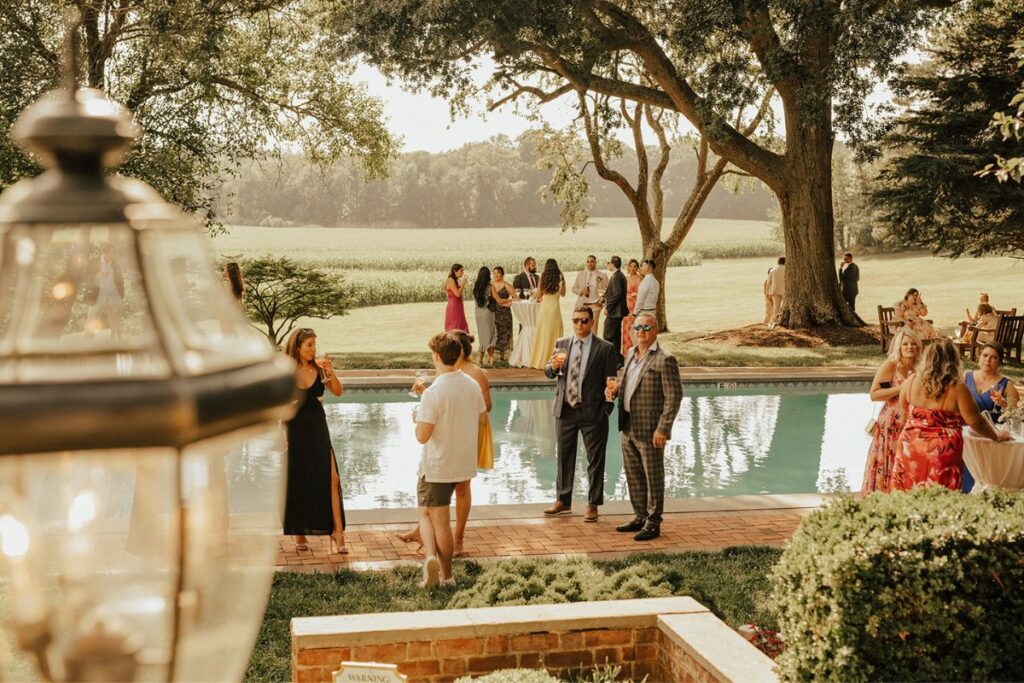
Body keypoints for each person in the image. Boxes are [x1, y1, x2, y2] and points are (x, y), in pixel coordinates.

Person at [400, 331, 492, 557]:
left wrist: (420, 418)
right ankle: (442, 564)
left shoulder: (436, 392)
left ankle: (437, 560)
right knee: (431, 515)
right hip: (461, 457)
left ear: (436, 356)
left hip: (440, 464)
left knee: (437, 519)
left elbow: (422, 436)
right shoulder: (469, 385)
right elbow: (482, 418)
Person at [889, 339, 1011, 492]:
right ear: (953, 361)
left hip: (911, 445)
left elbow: (905, 406)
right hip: (941, 451)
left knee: (907, 490)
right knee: (940, 496)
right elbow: (976, 422)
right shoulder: (957, 388)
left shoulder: (911, 381)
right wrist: (996, 436)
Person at [606, 312, 682, 541]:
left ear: (655, 330)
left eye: (646, 328)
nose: (641, 331)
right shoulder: (630, 353)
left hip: (650, 429)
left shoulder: (664, 359)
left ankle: (653, 522)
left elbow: (674, 397)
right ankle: (639, 515)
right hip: (628, 424)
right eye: (637, 327)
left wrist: (663, 428)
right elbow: (630, 383)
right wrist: (616, 388)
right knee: (634, 474)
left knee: (653, 476)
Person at [543, 307, 618, 522]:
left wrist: (605, 410)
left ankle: (593, 504)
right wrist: (552, 366)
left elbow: (611, 381)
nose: (579, 325)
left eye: (584, 321)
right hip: (565, 410)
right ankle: (563, 500)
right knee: (564, 457)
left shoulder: (605, 348)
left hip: (592, 412)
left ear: (592, 322)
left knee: (595, 460)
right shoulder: (562, 344)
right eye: (575, 320)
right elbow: (549, 372)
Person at [282, 328, 346, 555]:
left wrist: (331, 372)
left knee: (332, 479)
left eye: (314, 344)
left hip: (319, 428)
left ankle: (338, 533)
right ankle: (299, 531)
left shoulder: (320, 370)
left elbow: (338, 392)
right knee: (299, 479)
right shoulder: (286, 373)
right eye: (309, 345)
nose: (314, 349)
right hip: (296, 430)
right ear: (297, 347)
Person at [861, 328, 922, 493]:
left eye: (913, 344)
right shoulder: (891, 365)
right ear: (899, 346)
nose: (909, 347)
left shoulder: (920, 368)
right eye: (905, 344)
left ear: (918, 347)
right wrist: (902, 387)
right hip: (891, 424)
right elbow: (874, 394)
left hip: (911, 424)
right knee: (889, 462)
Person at [961, 342, 1020, 492]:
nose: (988, 360)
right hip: (966, 434)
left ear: (999, 362)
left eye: (993, 357)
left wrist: (1004, 404)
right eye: (985, 355)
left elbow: (1017, 419)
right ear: (978, 357)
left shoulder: (1007, 385)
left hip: (991, 437)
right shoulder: (965, 378)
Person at [528, 259, 565, 369]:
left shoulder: (543, 277)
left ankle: (540, 361)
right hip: (555, 309)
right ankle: (555, 362)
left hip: (544, 309)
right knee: (555, 335)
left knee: (543, 335)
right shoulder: (561, 276)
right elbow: (563, 293)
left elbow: (538, 295)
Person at [86, 242, 125, 338]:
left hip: (114, 298)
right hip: (98, 298)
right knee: (91, 322)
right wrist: (96, 275)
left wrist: (121, 295)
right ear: (105, 252)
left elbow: (120, 280)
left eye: (114, 253)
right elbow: (85, 278)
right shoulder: (93, 262)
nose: (114, 255)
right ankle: (88, 346)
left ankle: (116, 346)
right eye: (112, 253)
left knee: (116, 326)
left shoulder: (115, 264)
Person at [603, 256, 628, 365]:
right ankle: (618, 360)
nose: (608, 264)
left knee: (608, 335)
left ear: (613, 264)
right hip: (618, 312)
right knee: (615, 336)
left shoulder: (617, 277)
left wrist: (608, 308)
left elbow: (617, 294)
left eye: (609, 262)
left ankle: (615, 359)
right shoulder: (619, 276)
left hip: (614, 312)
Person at [572, 255, 608, 330]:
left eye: (592, 262)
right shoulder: (580, 274)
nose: (589, 264)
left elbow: (608, 291)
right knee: (581, 328)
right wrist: (581, 291)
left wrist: (603, 303)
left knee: (593, 329)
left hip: (595, 307)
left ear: (595, 263)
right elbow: (573, 289)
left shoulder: (603, 276)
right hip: (582, 306)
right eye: (588, 262)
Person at [472, 266, 497, 366]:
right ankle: (491, 357)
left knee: (482, 336)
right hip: (488, 313)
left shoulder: (475, 287)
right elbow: (498, 300)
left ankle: (480, 358)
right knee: (490, 336)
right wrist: (508, 301)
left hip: (478, 313)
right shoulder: (490, 287)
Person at [491, 266, 515, 362]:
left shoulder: (507, 285)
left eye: (498, 273)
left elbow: (516, 298)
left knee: (505, 332)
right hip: (493, 312)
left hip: (505, 313)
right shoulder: (490, 285)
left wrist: (509, 303)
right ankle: (493, 354)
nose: (496, 275)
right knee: (495, 332)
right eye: (494, 273)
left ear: (502, 274)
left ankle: (503, 355)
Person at [622, 259, 641, 358]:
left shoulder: (639, 279)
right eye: (631, 266)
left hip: (634, 307)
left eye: (635, 266)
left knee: (633, 330)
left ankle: (636, 353)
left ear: (637, 268)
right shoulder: (625, 278)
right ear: (628, 267)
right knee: (625, 330)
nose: (633, 268)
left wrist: (635, 294)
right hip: (626, 307)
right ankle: (626, 354)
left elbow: (641, 294)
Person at [444, 264, 469, 333]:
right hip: (454, 306)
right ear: (455, 271)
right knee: (455, 324)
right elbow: (457, 294)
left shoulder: (455, 280)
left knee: (460, 323)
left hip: (458, 305)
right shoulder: (450, 280)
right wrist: (463, 284)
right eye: (461, 271)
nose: (462, 273)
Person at [633, 259, 660, 323]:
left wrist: (634, 313)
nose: (640, 268)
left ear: (648, 267)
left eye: (642, 266)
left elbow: (640, 301)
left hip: (644, 313)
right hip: (653, 312)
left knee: (641, 332)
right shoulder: (656, 282)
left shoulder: (645, 282)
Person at [766, 256, 785, 328]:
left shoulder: (772, 270)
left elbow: (769, 282)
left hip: (775, 291)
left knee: (776, 307)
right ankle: (782, 319)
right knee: (784, 306)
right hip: (784, 290)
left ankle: (776, 321)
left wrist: (767, 292)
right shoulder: (787, 269)